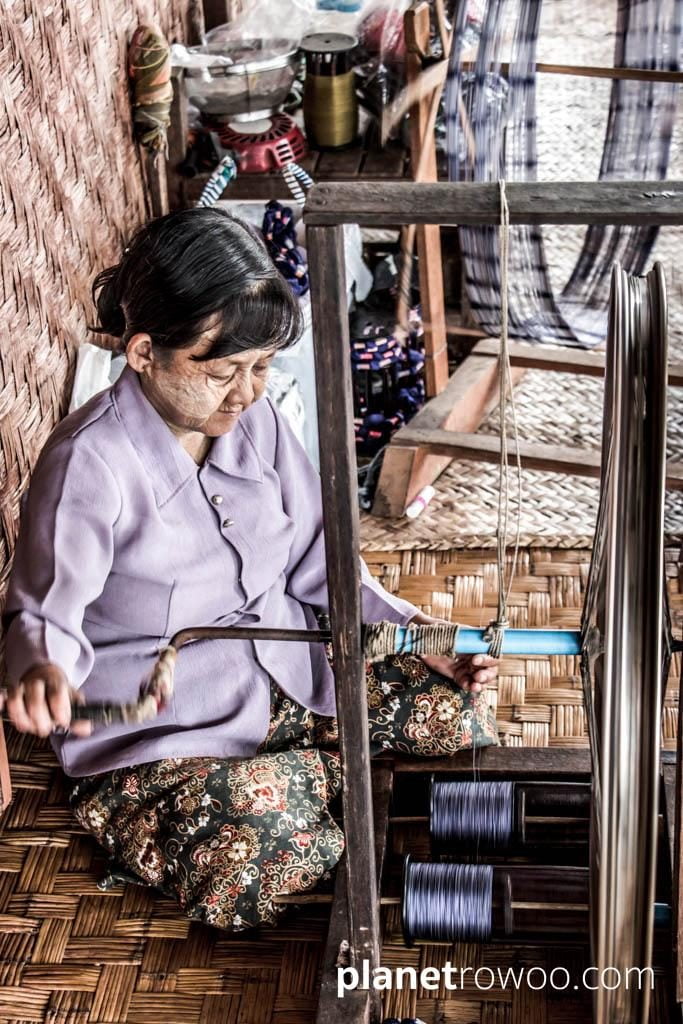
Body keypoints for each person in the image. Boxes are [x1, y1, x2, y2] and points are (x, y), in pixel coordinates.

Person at [2, 208, 499, 932]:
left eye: (263, 366)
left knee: (451, 707)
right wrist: (43, 671)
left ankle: (311, 774)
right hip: (168, 735)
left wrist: (411, 634)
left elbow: (318, 556)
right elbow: (46, 612)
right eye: (224, 369)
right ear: (143, 353)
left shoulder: (251, 420)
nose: (248, 392)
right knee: (254, 860)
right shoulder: (89, 464)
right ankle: (322, 775)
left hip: (297, 670)